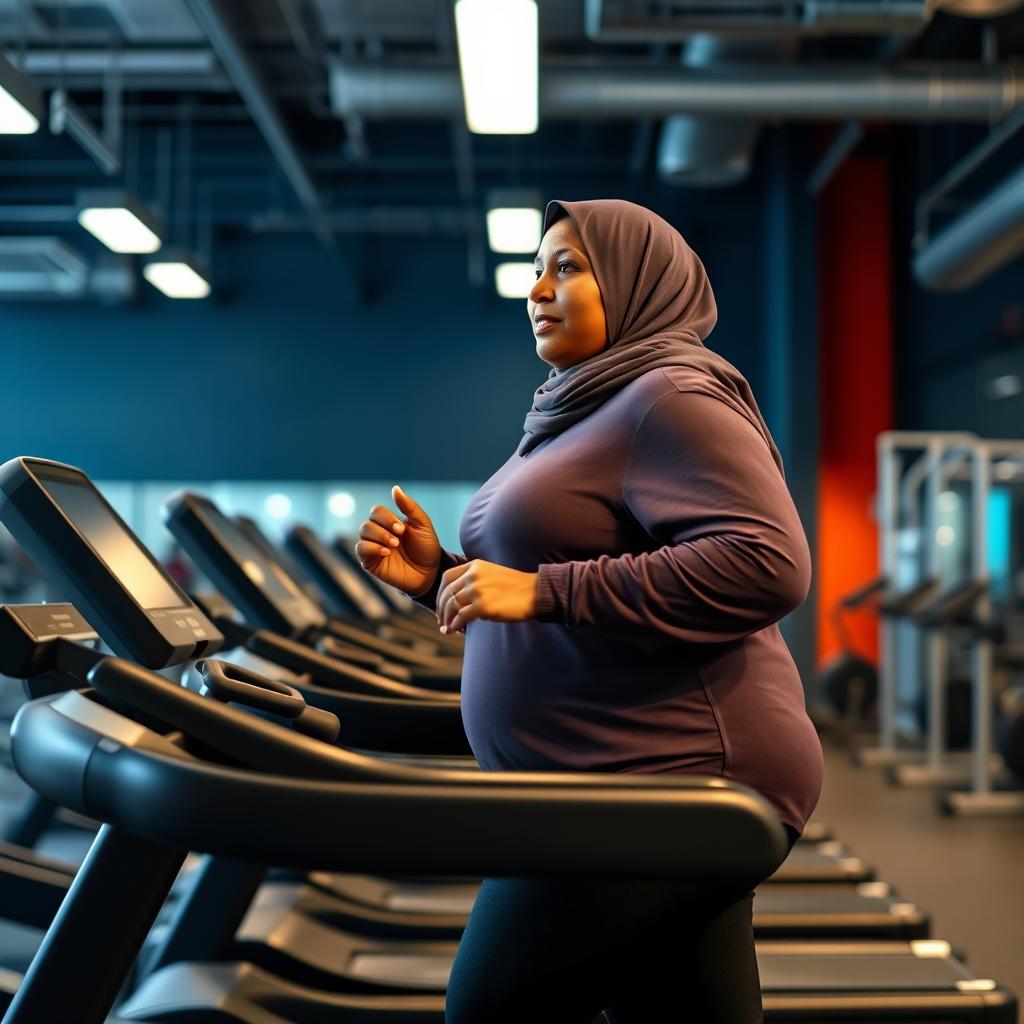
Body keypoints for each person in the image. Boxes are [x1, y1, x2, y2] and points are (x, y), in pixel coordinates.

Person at [356, 198, 824, 1024]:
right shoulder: (581, 407)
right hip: (621, 775)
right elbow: (563, 568)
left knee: (493, 1008)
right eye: (535, 270)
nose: (538, 288)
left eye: (567, 267)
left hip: (666, 774)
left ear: (639, 282)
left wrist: (540, 590)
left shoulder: (669, 394)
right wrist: (444, 579)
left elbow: (767, 563)